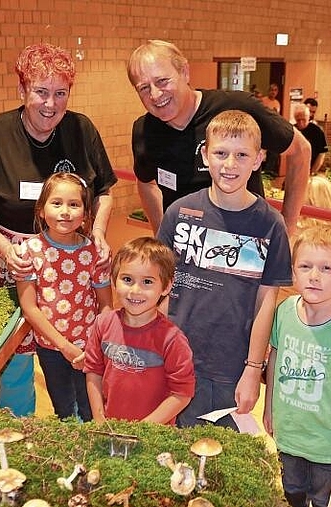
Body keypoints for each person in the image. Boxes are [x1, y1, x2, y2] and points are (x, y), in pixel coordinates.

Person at [0, 43, 117, 417]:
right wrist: (6, 249)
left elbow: (104, 191)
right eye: (41, 92)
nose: (50, 104)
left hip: (73, 259)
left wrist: (100, 234)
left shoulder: (82, 129)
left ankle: (79, 426)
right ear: (22, 90)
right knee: (15, 359)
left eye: (60, 94)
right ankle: (20, 431)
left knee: (77, 349)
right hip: (14, 258)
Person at [157, 110, 293, 429]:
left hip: (231, 368)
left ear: (258, 159)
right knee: (179, 452)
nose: (229, 165)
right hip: (178, 359)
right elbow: (160, 288)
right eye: (220, 153)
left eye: (241, 155)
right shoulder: (179, 213)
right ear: (205, 155)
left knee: (224, 457)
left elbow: (266, 303)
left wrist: (252, 368)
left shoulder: (270, 225)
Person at [127, 40, 310, 236]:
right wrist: (161, 232)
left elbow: (301, 150)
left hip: (245, 245)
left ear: (185, 72)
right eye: (144, 88)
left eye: (162, 81)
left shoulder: (238, 107)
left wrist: (288, 226)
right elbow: (145, 182)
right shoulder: (144, 131)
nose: (155, 95)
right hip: (187, 253)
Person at [264, 225, 331, 507]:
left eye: (326, 268)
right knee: (291, 494)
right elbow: (274, 358)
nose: (314, 276)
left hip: (329, 446)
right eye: (305, 266)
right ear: (293, 271)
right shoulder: (285, 310)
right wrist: (269, 408)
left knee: (327, 501)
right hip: (288, 437)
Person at [17, 172, 113, 421]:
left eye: (74, 204)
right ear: (41, 210)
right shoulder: (29, 252)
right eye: (56, 203)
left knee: (92, 408)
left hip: (89, 349)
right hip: (51, 348)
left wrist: (96, 343)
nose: (65, 211)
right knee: (64, 410)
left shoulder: (93, 252)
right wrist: (64, 346)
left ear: (85, 214)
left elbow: (106, 305)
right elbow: (30, 308)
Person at [84, 237, 195, 425]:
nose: (135, 290)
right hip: (111, 430)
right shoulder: (102, 324)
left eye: (147, 282)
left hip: (154, 436)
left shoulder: (172, 339)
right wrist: (99, 419)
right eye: (127, 279)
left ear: (166, 286)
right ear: (114, 280)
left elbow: (182, 393)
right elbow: (93, 371)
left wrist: (142, 430)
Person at [294, 103, 328, 174]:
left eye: (303, 119)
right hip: (296, 167)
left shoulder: (317, 131)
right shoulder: (293, 130)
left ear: (308, 117)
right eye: (298, 120)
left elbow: (322, 153)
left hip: (312, 166)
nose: (301, 122)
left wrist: (312, 171)